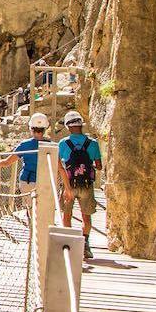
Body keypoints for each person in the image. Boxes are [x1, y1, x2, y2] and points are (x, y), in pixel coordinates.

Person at [58, 110, 102, 259]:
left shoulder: (64, 143)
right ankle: (85, 244)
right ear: (81, 125)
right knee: (86, 216)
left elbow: (59, 164)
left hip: (69, 184)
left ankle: (69, 244)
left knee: (67, 214)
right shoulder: (93, 143)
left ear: (68, 126)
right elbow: (99, 165)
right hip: (86, 185)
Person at [0, 113, 49, 195]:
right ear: (45, 128)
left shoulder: (25, 145)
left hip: (27, 182)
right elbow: (60, 168)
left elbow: (7, 162)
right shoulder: (52, 146)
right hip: (46, 182)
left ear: (31, 128)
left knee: (29, 207)